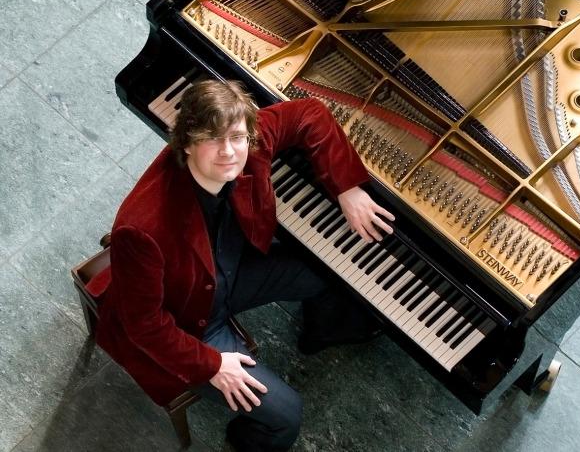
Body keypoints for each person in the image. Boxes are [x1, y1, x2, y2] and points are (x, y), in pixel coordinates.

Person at [94, 79, 395, 451]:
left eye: (236, 137)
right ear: (185, 142)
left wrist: (347, 188)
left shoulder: (246, 144)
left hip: (233, 271)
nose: (227, 152)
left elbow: (309, 113)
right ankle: (244, 440)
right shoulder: (142, 229)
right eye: (211, 139)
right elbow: (144, 325)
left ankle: (322, 332)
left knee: (328, 272)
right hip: (190, 323)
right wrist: (213, 366)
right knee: (286, 416)